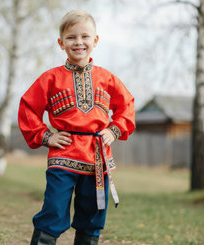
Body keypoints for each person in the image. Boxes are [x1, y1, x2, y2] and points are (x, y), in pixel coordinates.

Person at [18, 10, 135, 245]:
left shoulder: (108, 78)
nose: (78, 42)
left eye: (85, 36)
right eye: (71, 37)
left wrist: (114, 130)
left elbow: (127, 106)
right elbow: (28, 108)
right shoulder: (50, 78)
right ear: (61, 43)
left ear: (95, 41)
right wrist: (45, 136)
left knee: (92, 214)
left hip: (97, 156)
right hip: (64, 155)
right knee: (53, 209)